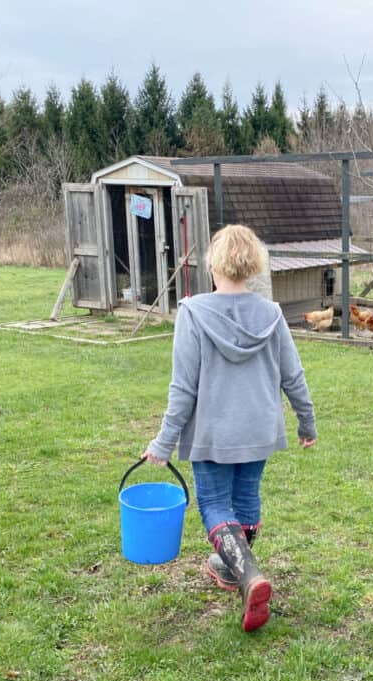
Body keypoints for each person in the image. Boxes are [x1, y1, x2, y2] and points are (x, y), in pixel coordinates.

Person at [143, 224, 317, 632]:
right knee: (246, 498)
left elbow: (182, 389)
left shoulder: (192, 312)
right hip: (259, 429)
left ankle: (249, 577)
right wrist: (306, 422)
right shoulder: (271, 313)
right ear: (253, 265)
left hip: (213, 433)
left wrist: (163, 443)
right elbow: (294, 376)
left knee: (217, 506)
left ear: (213, 263)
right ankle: (230, 568)